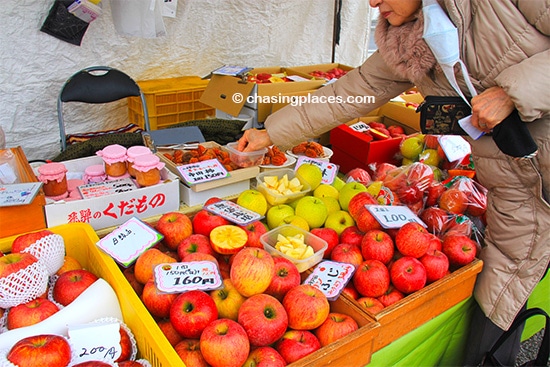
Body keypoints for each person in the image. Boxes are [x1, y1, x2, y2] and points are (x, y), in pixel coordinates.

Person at [238, 0, 550, 364]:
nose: (372, 3)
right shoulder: (404, 41)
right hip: (515, 187)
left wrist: (513, 92)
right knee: (500, 297)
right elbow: (348, 92)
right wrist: (269, 132)